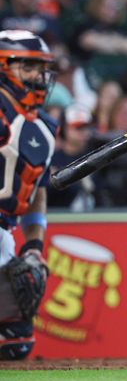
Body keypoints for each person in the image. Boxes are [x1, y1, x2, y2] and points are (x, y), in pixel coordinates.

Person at [0, 30, 57, 360]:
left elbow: (37, 190)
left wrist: (34, 247)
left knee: (16, 343)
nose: (38, 77)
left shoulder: (43, 127)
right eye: (28, 68)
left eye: (41, 69)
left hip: (4, 232)